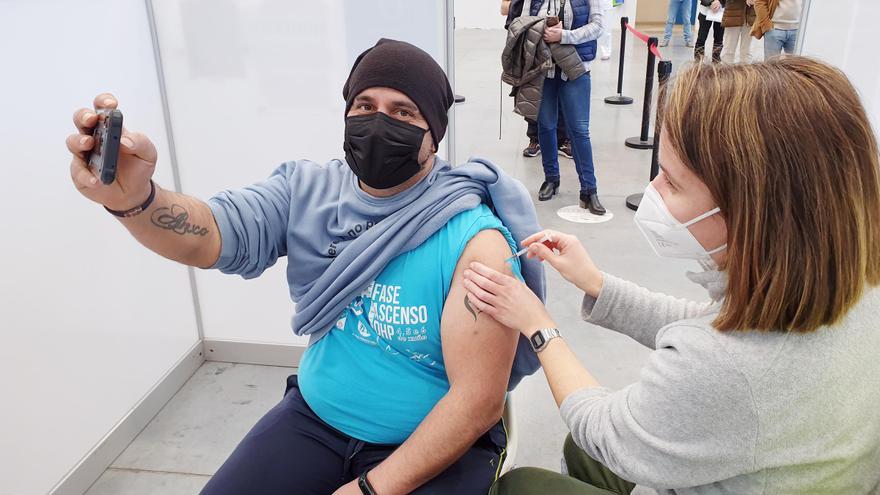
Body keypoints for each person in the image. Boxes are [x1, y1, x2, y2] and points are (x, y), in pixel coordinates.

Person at [65, 39, 548, 494]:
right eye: (364, 106)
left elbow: (477, 402)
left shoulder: (472, 240)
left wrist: (372, 488)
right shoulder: (308, 191)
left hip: (430, 442)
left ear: (433, 134)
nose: (379, 122)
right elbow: (209, 233)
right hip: (316, 419)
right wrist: (137, 201)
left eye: (403, 111)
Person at [466, 57, 880, 493]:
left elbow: (608, 431)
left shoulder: (721, 369)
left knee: (522, 486)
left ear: (750, 210)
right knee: (579, 452)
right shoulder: (850, 288)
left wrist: (539, 327)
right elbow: (712, 322)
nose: (652, 192)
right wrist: (597, 284)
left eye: (671, 181)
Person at [534, 0, 607, 215]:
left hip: (576, 69)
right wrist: (542, 29)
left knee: (579, 130)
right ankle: (551, 179)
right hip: (544, 68)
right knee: (546, 125)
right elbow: (525, 20)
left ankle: (589, 189)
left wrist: (564, 36)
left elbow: (598, 26)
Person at [504, 0, 573, 158]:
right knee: (531, 88)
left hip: (561, 39)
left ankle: (563, 139)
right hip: (531, 38)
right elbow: (509, 11)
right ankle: (535, 138)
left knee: (562, 88)